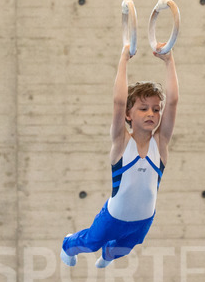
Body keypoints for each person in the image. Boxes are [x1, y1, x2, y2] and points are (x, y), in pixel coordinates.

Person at [61, 41, 178, 268]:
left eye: (155, 109)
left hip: (143, 220)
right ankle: (68, 244)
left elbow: (173, 102)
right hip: (113, 216)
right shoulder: (122, 143)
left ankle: (108, 255)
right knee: (91, 243)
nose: (151, 113)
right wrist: (124, 59)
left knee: (120, 250)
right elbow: (117, 101)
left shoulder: (161, 144)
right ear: (127, 115)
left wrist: (169, 60)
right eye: (143, 108)